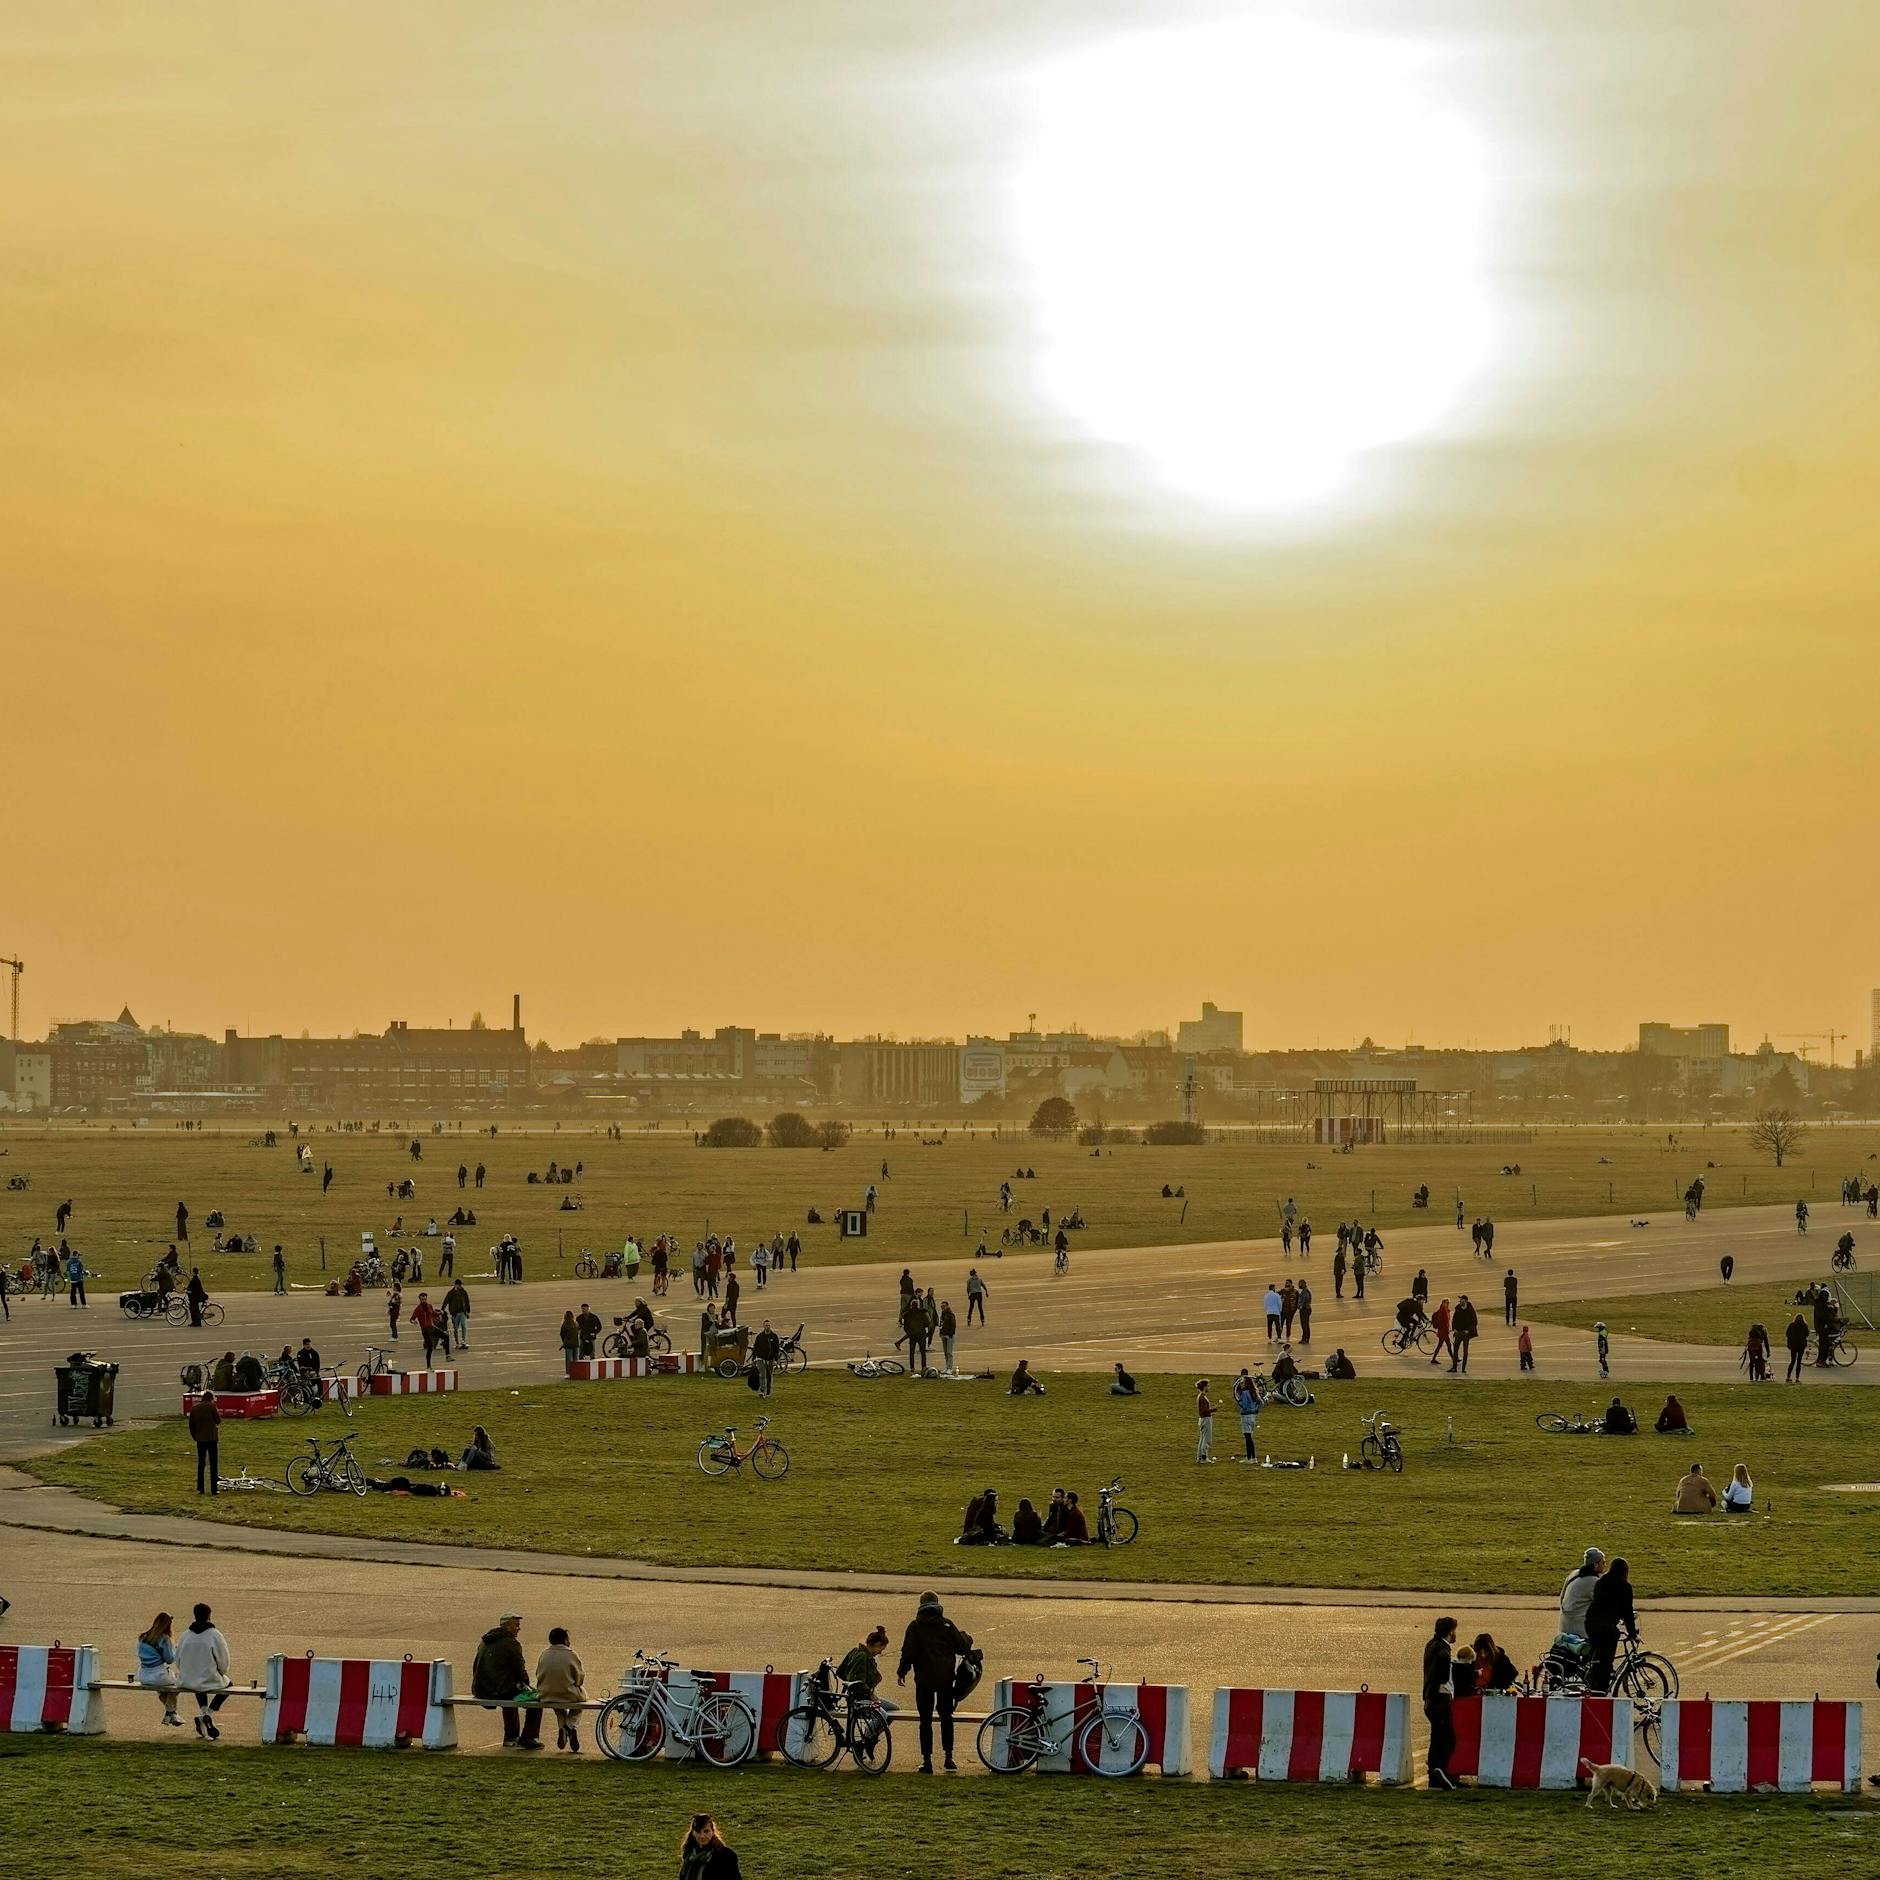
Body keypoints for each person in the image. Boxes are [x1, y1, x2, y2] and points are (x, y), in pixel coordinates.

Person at [897, 1592, 973, 1773]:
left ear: (921, 1605)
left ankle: (927, 1761)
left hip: (924, 1680)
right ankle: (949, 1757)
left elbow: (908, 1652)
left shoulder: (915, 1626)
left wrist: (902, 1672)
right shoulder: (946, 1624)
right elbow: (962, 1647)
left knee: (925, 1720)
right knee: (946, 1717)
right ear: (937, 1604)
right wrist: (966, 1637)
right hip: (946, 1678)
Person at [473, 1611, 541, 1748]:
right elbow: (519, 1669)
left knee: (510, 1697)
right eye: (516, 1625)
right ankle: (528, 1737)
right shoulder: (511, 1643)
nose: (519, 1628)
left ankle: (511, 1737)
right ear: (507, 1627)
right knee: (536, 1700)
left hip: (481, 1689)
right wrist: (527, 1685)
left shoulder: (485, 1641)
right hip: (499, 1689)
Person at [177, 1603, 231, 1737]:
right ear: (209, 1616)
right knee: (228, 1685)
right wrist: (222, 1672)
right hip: (208, 1677)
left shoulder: (185, 1635)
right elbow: (223, 1660)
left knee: (198, 1685)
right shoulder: (215, 1635)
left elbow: (177, 1659)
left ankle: (203, 1711)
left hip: (187, 1679)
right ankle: (208, 1714)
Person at [1585, 1557, 1637, 1693]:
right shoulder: (1625, 1586)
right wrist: (1632, 1634)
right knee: (1606, 1661)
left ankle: (1593, 1684)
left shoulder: (1601, 1581)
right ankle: (1601, 1691)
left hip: (1591, 1622)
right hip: (1606, 1627)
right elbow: (1627, 1612)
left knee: (1597, 1658)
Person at [535, 1626, 586, 1752]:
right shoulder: (571, 1654)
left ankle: (561, 1727)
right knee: (582, 1700)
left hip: (546, 1694)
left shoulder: (544, 1654)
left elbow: (538, 1674)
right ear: (565, 1639)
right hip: (568, 1693)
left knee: (558, 1704)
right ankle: (570, 1725)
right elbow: (580, 1677)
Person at [1423, 1616, 1459, 1790]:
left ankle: (1433, 1775)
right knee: (1448, 1739)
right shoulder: (1444, 1650)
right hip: (1440, 1700)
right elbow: (1444, 1675)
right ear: (1450, 1631)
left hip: (1429, 1699)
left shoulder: (1431, 1644)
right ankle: (1441, 1769)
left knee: (1436, 1738)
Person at [137, 1612, 183, 1725]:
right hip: (159, 1675)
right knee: (180, 1683)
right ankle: (170, 1713)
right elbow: (169, 1659)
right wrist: (175, 1649)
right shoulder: (164, 1638)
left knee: (163, 1689)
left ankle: (173, 1715)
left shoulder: (142, 1637)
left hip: (143, 1675)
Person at [1559, 1547, 1605, 1638]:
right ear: (1595, 1564)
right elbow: (1604, 1604)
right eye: (1602, 1563)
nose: (1605, 1565)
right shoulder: (1594, 1581)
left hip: (1564, 1624)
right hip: (1580, 1629)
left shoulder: (1574, 1574)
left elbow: (1562, 1596)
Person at [678, 1814, 742, 1880]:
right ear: (693, 1833)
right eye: (698, 1832)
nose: (702, 1836)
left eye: (706, 1831)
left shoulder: (726, 1856)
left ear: (712, 1831)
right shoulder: (689, 1852)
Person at [189, 1390, 221, 1496]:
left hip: (200, 1439)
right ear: (211, 1398)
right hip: (212, 1439)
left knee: (201, 1464)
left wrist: (195, 1437)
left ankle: (201, 1488)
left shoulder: (194, 1408)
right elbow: (218, 1420)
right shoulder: (212, 1406)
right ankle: (214, 1489)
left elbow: (191, 1425)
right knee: (213, 1465)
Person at [1233, 1369, 1260, 1462]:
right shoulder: (1254, 1392)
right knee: (1250, 1438)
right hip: (1253, 1416)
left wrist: (1240, 1401)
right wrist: (1256, 1409)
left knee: (1248, 1439)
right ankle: (1254, 1457)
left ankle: (1249, 1458)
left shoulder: (1244, 1393)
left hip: (1246, 1416)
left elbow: (1244, 1406)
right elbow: (1261, 1402)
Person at [1450, 1295, 1478, 1374]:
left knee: (1465, 1351)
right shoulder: (1458, 1309)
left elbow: (1474, 1321)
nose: (1460, 1301)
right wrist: (1454, 1329)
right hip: (1458, 1332)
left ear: (1465, 1300)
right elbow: (1454, 1320)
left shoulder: (1470, 1310)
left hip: (1466, 1333)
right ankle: (1454, 1367)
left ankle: (1463, 1368)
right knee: (1455, 1349)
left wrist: (1468, 1330)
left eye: (1461, 1300)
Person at [751, 1321, 779, 1396]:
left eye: (769, 1325)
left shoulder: (774, 1336)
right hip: (760, 1358)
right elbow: (756, 1348)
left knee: (769, 1375)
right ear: (763, 1326)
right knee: (762, 1375)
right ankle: (762, 1391)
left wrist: (776, 1360)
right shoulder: (760, 1336)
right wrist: (753, 1358)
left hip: (770, 1359)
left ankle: (768, 1390)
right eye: (766, 1325)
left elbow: (776, 1349)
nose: (768, 1327)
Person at [444, 1278, 471, 1351]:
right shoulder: (451, 1293)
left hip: (462, 1312)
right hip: (454, 1313)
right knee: (455, 1328)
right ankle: (457, 1342)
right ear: (455, 1285)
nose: (460, 1286)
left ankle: (463, 1340)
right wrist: (442, 1309)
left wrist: (468, 1310)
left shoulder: (463, 1292)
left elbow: (467, 1301)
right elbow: (446, 1300)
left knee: (463, 1326)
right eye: (458, 1285)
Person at [1195, 1378, 1215, 1463]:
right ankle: (1204, 1457)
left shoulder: (1201, 1397)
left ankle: (1200, 1457)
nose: (1208, 1387)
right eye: (1207, 1386)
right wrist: (1213, 1410)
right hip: (1206, 1419)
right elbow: (1204, 1411)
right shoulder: (1202, 1398)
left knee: (1202, 1438)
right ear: (1204, 1387)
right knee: (1206, 1439)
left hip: (1203, 1419)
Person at [938, 1300, 958, 1375]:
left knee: (949, 1352)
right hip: (943, 1335)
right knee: (945, 1353)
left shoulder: (951, 1314)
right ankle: (947, 1367)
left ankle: (950, 1368)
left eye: (943, 1306)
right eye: (941, 1307)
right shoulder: (942, 1315)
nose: (942, 1308)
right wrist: (940, 1333)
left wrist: (951, 1334)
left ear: (947, 1306)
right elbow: (941, 1325)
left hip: (949, 1335)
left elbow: (953, 1325)